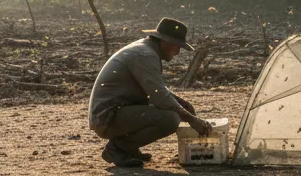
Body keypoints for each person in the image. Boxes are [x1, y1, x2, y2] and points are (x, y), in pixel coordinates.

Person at [88, 17, 212, 167]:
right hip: (107, 117)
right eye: (176, 46)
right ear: (165, 42)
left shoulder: (145, 50)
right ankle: (118, 148)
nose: (177, 52)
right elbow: (159, 96)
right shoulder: (145, 55)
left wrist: (182, 104)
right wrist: (191, 119)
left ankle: (128, 148)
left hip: (113, 113)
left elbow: (155, 90)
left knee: (173, 112)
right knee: (170, 119)